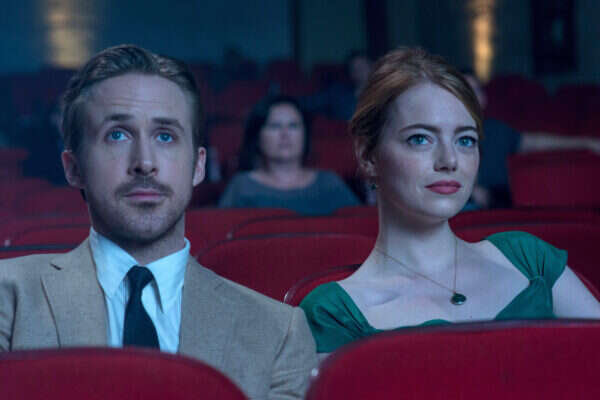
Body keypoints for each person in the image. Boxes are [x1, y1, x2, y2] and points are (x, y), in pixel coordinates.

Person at [0, 44, 317, 399]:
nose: (145, 163)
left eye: (165, 136)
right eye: (117, 135)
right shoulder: (8, 297)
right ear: (74, 168)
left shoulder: (278, 332)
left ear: (198, 166)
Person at [300, 47, 600, 355]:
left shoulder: (529, 259)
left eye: (465, 140)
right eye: (420, 138)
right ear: (367, 156)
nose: (449, 160)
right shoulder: (334, 314)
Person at [462, 70, 600, 208]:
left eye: (476, 90)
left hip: (497, 208)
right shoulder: (450, 136)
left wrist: (587, 143)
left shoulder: (498, 130)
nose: (472, 98)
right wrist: (469, 192)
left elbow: (536, 142)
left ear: (484, 98)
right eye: (465, 92)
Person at [218, 95, 360, 215]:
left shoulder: (329, 183)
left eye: (293, 126)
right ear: (258, 137)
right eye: (275, 126)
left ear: (305, 135)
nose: (285, 134)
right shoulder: (242, 187)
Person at [299, 51, 373, 121]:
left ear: (371, 67)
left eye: (362, 67)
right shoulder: (338, 92)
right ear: (350, 73)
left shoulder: (378, 95)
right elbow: (309, 102)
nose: (359, 72)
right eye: (354, 69)